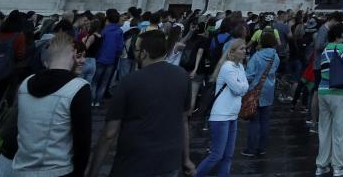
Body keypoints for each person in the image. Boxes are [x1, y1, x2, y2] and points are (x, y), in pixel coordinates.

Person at [87, 28, 193, 177]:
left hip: (134, 164)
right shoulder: (183, 76)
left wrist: (93, 171)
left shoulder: (130, 81)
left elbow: (110, 133)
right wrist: (186, 159)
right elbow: (184, 121)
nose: (135, 53)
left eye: (136, 49)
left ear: (144, 53)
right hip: (169, 163)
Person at [0, 31, 93, 177]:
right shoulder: (79, 87)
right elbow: (82, 141)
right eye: (78, 56)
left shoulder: (26, 83)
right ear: (72, 53)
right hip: (57, 170)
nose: (83, 61)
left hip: (21, 167)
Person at [193, 38, 247, 177]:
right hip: (221, 116)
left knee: (227, 156)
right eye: (242, 48)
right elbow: (238, 89)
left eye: (245, 48)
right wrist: (242, 86)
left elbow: (245, 87)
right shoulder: (227, 67)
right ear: (232, 52)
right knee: (216, 155)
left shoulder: (240, 67)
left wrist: (241, 86)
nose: (245, 51)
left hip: (232, 115)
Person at [314, 22, 343, 177]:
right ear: (340, 36)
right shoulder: (340, 48)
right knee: (338, 131)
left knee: (324, 129)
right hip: (338, 93)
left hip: (323, 91)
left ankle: (321, 165)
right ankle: (338, 166)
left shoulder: (326, 49)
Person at [241, 30, 280, 159]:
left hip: (255, 91)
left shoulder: (256, 56)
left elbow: (249, 76)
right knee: (265, 121)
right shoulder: (276, 56)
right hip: (268, 91)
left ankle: (251, 149)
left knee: (254, 121)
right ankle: (262, 148)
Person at [91, 10, 124, 107]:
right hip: (111, 59)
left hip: (100, 58)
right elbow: (119, 47)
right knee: (104, 82)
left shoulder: (103, 30)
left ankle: (92, 100)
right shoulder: (119, 31)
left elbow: (99, 44)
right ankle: (98, 101)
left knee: (95, 80)